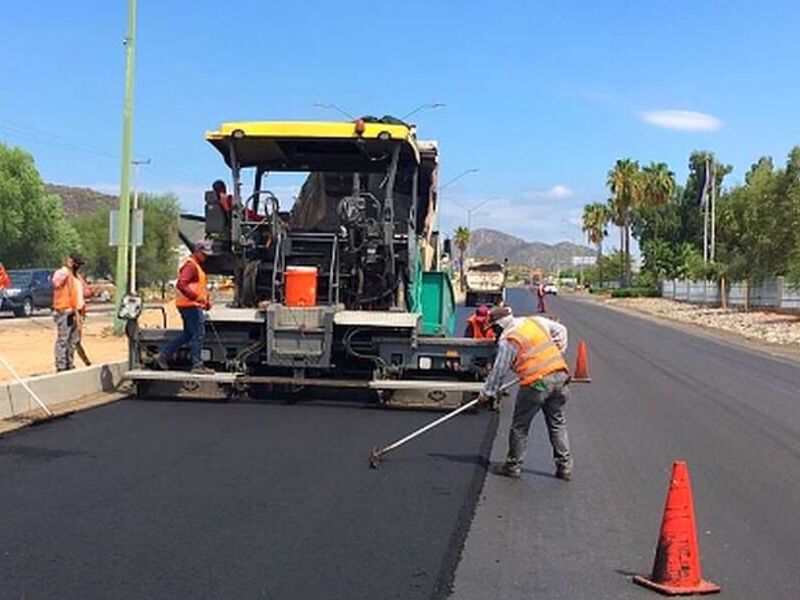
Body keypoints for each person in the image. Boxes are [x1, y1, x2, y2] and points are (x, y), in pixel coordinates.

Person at [477, 306, 573, 480]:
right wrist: (559, 351)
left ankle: (513, 466)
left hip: (536, 384)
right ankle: (565, 467)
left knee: (520, 427)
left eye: (494, 328)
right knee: (557, 423)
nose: (494, 332)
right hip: (560, 376)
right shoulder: (534, 322)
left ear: (500, 324)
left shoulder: (509, 339)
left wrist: (487, 393)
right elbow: (561, 329)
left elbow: (499, 370)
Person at [155, 241, 214, 374]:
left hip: (189, 304)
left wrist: (205, 300)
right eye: (204, 254)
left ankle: (162, 356)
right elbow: (181, 284)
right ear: (197, 252)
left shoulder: (196, 266)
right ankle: (197, 365)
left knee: (188, 334)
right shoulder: (191, 266)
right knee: (198, 334)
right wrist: (195, 297)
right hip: (191, 305)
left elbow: (198, 286)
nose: (206, 257)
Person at [51, 251, 88, 371]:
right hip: (65, 311)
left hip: (76, 312)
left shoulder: (76, 277)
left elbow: (83, 293)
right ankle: (61, 365)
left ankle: (70, 364)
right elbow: (55, 282)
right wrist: (67, 268)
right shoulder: (63, 273)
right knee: (63, 339)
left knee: (73, 341)